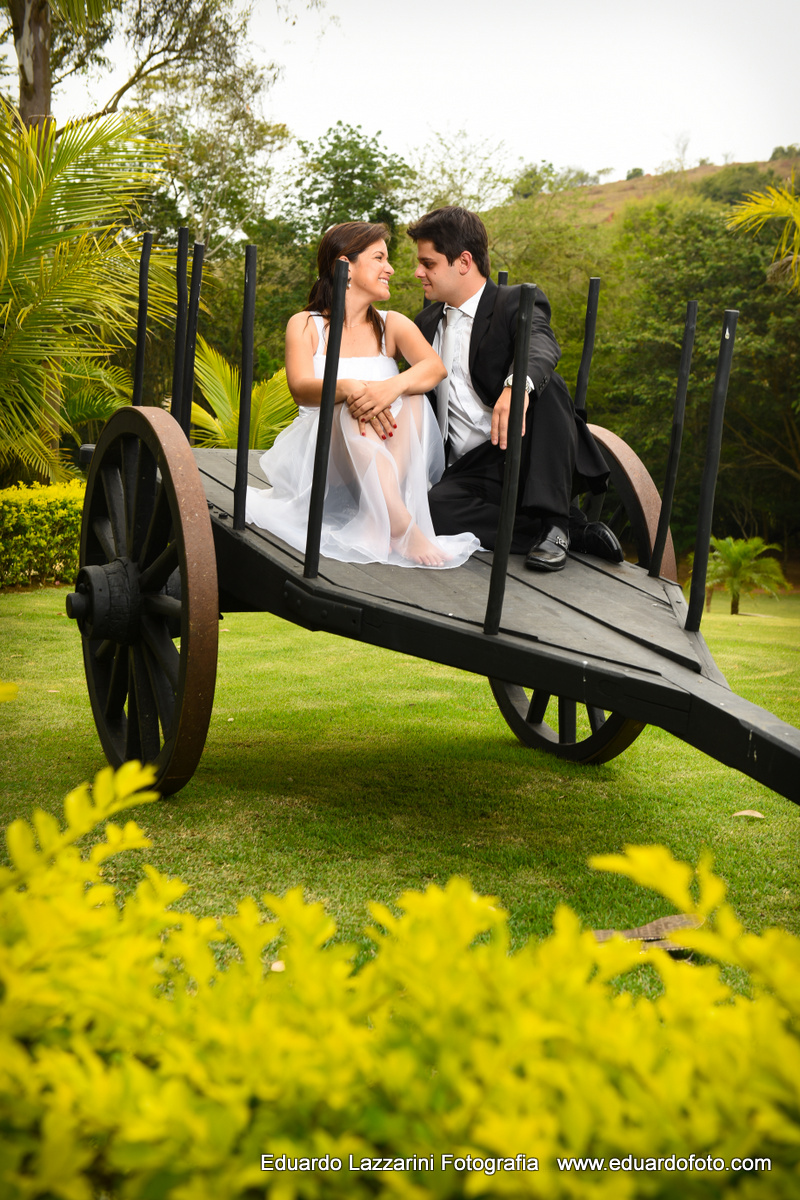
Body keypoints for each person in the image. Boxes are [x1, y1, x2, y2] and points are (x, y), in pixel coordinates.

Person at [245, 222, 480, 569]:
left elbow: (434, 369)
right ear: (346, 266)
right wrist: (348, 387)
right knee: (348, 407)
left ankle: (378, 517)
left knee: (412, 394)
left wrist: (389, 388)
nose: (391, 268)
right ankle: (400, 524)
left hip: (391, 458)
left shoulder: (392, 324)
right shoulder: (306, 324)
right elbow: (300, 388)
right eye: (379, 258)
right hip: (328, 459)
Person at [406, 206, 623, 572]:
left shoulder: (514, 302)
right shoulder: (424, 324)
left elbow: (541, 345)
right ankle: (566, 531)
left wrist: (516, 387)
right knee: (431, 511)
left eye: (428, 264)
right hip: (469, 469)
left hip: (526, 450)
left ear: (463, 261)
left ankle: (555, 522)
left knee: (548, 384)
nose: (418, 272)